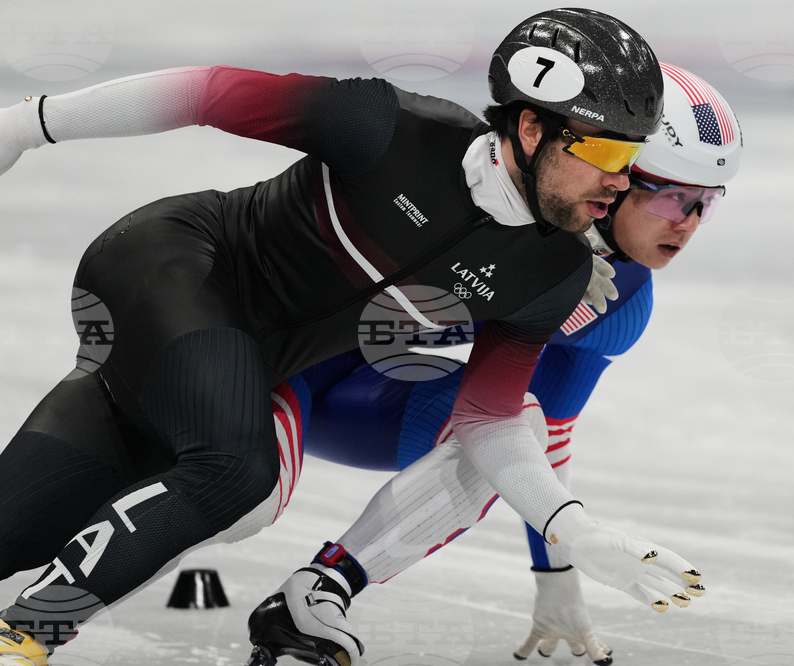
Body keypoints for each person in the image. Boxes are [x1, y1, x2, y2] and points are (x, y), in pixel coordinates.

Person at [0, 9, 694, 666]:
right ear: (531, 127)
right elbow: (208, 92)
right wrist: (30, 124)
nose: (623, 181)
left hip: (237, 361)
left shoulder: (552, 274)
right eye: (609, 152)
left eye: (634, 157)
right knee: (236, 470)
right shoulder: (391, 129)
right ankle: (21, 637)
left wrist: (572, 529)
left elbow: (488, 421)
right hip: (169, 266)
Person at [243, 62, 742, 666]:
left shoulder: (619, 303)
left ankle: (323, 589)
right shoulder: (475, 190)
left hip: (358, 393)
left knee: (518, 423)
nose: (686, 226)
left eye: (704, 205)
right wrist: (524, 265)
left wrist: (557, 578)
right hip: (272, 344)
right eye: (670, 197)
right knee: (229, 510)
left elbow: (547, 438)